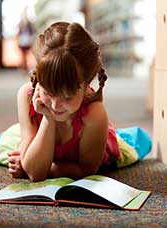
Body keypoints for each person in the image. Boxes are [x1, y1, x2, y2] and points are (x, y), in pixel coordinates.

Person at [7, 22, 122, 182]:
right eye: (48, 92)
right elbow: (35, 173)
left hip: (93, 139)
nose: (54, 105)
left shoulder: (94, 113)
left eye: (67, 97)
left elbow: (86, 170)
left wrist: (35, 164)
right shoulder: (27, 95)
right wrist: (48, 118)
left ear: (86, 86)